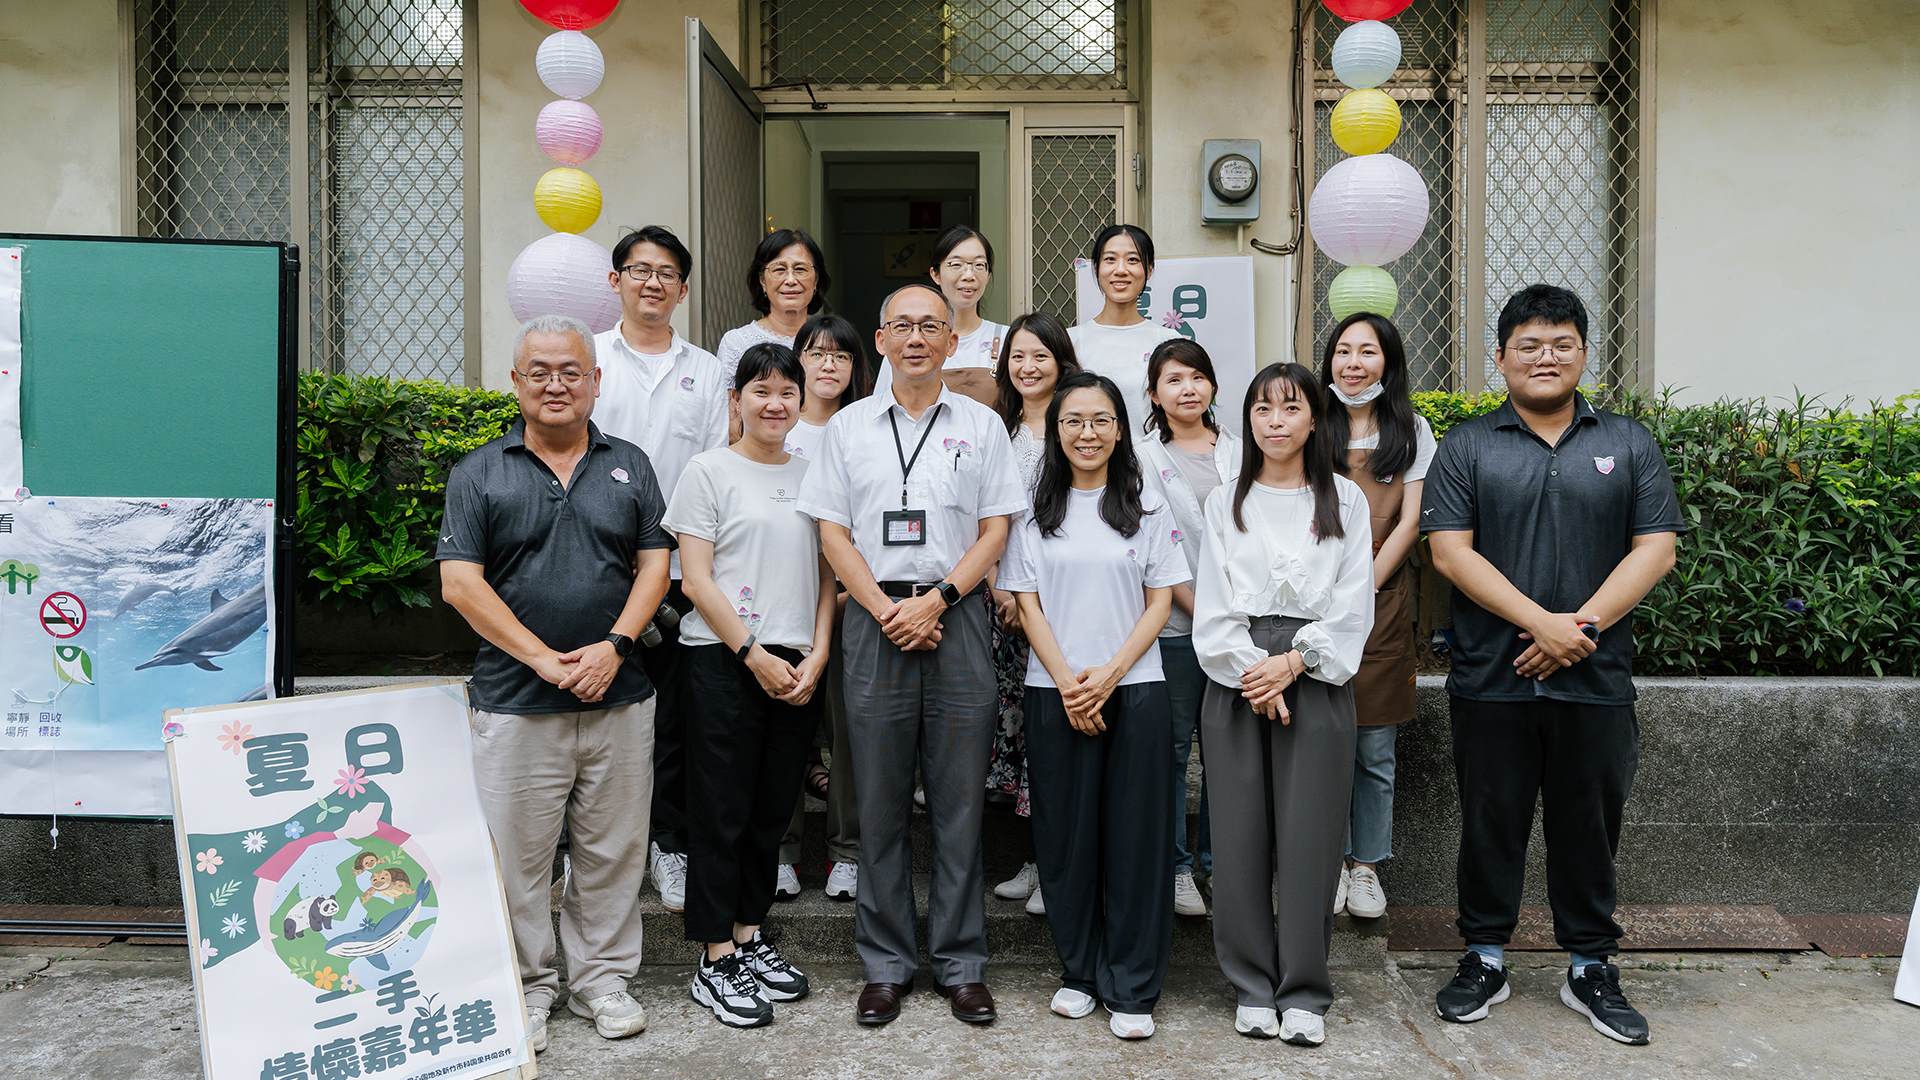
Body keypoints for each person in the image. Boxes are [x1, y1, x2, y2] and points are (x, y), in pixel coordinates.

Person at [1421, 285, 1681, 1046]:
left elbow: (1656, 549)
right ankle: (1484, 956)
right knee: (1490, 822)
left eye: (1560, 342)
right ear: (1499, 358)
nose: (1545, 356)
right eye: (1528, 344)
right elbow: (1448, 552)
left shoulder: (1628, 442)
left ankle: (1590, 965)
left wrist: (1582, 629)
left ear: (1584, 353)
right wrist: (1542, 625)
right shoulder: (1468, 445)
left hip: (1596, 680)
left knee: (1588, 827)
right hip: (1492, 679)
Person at [437, 315, 673, 1052]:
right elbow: (459, 584)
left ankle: (601, 982)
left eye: (571, 370)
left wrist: (615, 645)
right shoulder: (479, 472)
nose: (555, 384)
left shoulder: (629, 463)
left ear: (595, 381)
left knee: (612, 851)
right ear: (514, 382)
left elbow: (655, 567)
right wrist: (542, 658)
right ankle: (528, 988)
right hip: (516, 702)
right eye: (538, 371)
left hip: (619, 696)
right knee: (519, 858)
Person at [797, 281, 1026, 1028]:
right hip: (873, 617)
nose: (920, 337)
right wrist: (888, 608)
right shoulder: (848, 428)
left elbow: (995, 530)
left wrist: (938, 602)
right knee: (881, 804)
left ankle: (962, 964)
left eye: (933, 325)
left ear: (953, 341)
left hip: (955, 617)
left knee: (959, 804)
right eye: (905, 326)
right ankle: (887, 965)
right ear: (884, 338)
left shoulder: (983, 426)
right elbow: (833, 533)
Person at [1000, 371, 1189, 1040]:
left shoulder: (1146, 503)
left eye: (1100, 420)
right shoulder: (1031, 509)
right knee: (1067, 839)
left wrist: (1107, 675)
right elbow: (1027, 603)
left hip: (1134, 689)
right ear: (1056, 431)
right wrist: (1069, 680)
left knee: (1137, 841)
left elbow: (1161, 599)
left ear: (1121, 428)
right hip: (1055, 692)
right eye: (1073, 420)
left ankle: (1133, 986)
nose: (1087, 432)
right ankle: (1079, 973)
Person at [1194, 362, 1374, 1048]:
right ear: (1249, 420)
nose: (1275, 421)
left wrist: (1295, 662)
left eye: (1289, 408)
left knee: (1311, 836)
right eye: (1262, 410)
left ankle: (1303, 989)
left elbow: (1356, 599)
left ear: (1313, 418)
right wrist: (1256, 673)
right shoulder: (1225, 501)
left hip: (1317, 675)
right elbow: (1211, 606)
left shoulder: (1346, 501)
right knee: (1237, 835)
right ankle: (1250, 984)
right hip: (1238, 676)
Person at [666, 343, 837, 1029]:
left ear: (801, 402)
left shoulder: (814, 473)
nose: (775, 403)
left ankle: (747, 935)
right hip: (721, 657)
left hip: (798, 658)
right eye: (760, 390)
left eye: (787, 392)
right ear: (735, 399)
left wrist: (820, 651)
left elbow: (830, 572)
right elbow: (695, 579)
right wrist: (751, 651)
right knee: (722, 812)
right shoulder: (707, 471)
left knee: (772, 810)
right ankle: (713, 959)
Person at [593, 227, 730, 916]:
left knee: (675, 717)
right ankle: (581, 852)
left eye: (667, 273)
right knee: (587, 711)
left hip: (677, 573)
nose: (652, 283)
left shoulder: (706, 372)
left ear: (683, 289)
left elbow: (708, 475)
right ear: (614, 281)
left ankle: (669, 846)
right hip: (591, 568)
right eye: (638, 270)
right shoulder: (586, 361)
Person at [1316, 312, 1437, 922]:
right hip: (1312, 603)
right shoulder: (1312, 424)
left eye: (1367, 351)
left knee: (1374, 748)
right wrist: (1332, 591)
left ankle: (1365, 867)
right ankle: (1327, 862)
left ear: (1388, 361)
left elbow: (1412, 521)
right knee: (1319, 745)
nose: (1354, 362)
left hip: (1382, 607)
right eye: (1343, 351)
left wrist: (1361, 587)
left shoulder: (1412, 430)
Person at [983, 312, 1082, 917]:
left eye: (1040, 355)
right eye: (1018, 356)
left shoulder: (1079, 429)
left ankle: (1057, 867)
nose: (1028, 367)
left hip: (1063, 609)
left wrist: (1032, 600)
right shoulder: (995, 431)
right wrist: (1000, 591)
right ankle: (1033, 858)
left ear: (1061, 361)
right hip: (1001, 609)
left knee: (1055, 738)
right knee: (1020, 744)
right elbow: (985, 517)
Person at [1138, 338, 1241, 919]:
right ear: (1154, 393)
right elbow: (1157, 549)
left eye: (1197, 377)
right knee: (1175, 753)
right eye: (1173, 380)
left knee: (1228, 752)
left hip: (1240, 628)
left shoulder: (1242, 451)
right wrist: (1202, 613)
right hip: (1176, 627)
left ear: (1213, 387)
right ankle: (1178, 869)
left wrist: (1230, 619)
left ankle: (1222, 865)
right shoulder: (1142, 458)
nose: (1188, 389)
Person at [776, 313, 871, 903]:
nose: (829, 365)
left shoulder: (867, 429)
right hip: (783, 606)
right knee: (785, 733)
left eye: (842, 355)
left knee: (851, 732)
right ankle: (781, 852)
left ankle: (848, 853)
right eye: (817, 353)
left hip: (853, 601)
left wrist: (840, 597)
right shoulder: (775, 429)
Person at [1068, 225, 1184, 437]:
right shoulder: (1070, 341)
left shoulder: (1169, 342)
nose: (1120, 270)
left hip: (1151, 466)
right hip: (1086, 461)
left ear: (1149, 269)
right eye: (1110, 259)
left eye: (1133, 260)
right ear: (1096, 269)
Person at [874, 226, 1006, 406]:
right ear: (935, 274)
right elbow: (881, 407)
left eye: (979, 265)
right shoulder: (904, 343)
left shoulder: (1008, 338)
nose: (969, 275)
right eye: (956, 264)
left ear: (988, 275)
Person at [716, 228, 830, 385]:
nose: (790, 280)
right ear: (762, 280)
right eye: (779, 270)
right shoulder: (737, 343)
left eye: (800, 269)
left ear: (816, 280)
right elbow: (729, 406)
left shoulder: (832, 340)